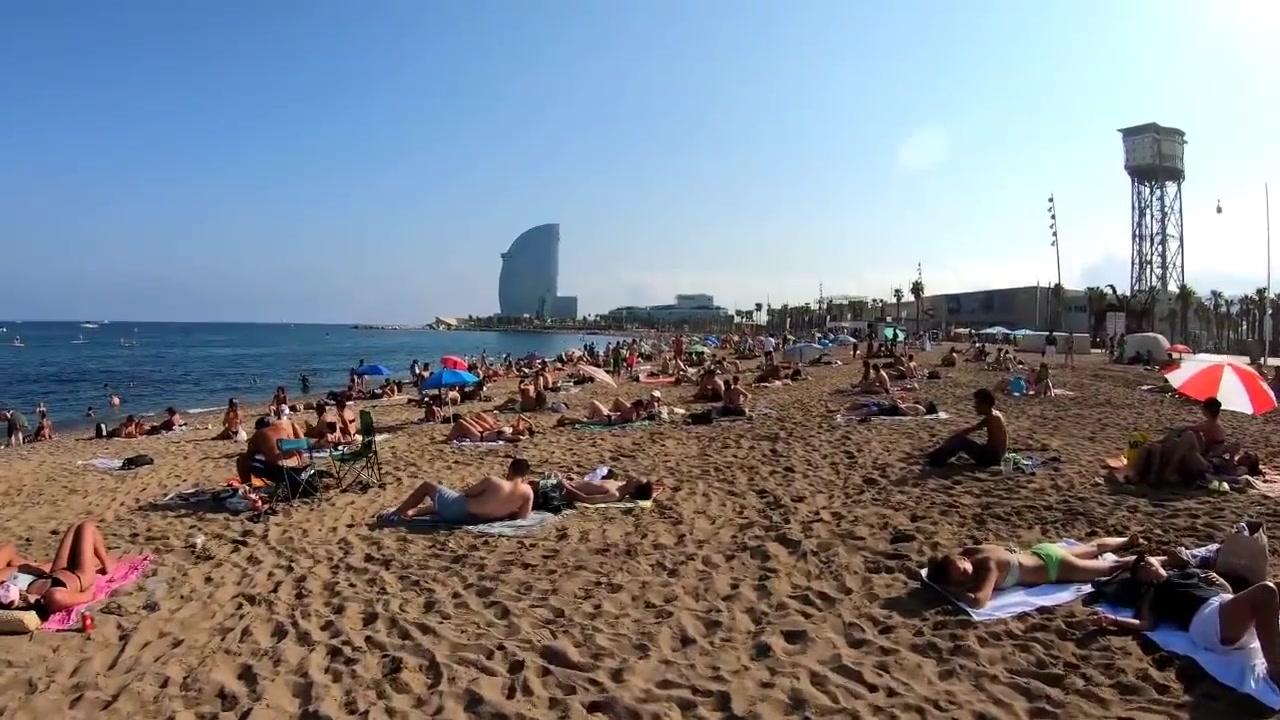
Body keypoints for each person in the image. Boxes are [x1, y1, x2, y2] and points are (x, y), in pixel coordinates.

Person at [1091, 555, 1280, 686]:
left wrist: (1222, 583)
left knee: (1273, 589)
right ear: (1140, 580)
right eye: (1139, 569)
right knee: (1266, 591)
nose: (1144, 565)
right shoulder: (1153, 593)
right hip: (1207, 622)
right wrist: (1114, 620)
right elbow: (1146, 624)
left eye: (1144, 561)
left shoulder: (1187, 574)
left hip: (1225, 610)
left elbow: (1228, 595)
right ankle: (1275, 672)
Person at [925, 535, 1138, 609]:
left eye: (963, 572)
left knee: (1111, 568)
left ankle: (1160, 559)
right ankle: (1127, 540)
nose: (967, 577)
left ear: (964, 560)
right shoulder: (972, 552)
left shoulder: (987, 567)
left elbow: (979, 601)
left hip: (1054, 568)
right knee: (1092, 548)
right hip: (1042, 551)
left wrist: (951, 589)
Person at [0, 520, 115, 617]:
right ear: (22, 598)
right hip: (80, 576)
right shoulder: (54, 599)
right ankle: (106, 564)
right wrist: (94, 580)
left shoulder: (30, 592)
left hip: (57, 571)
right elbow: (87, 596)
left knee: (75, 527)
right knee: (86, 526)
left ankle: (96, 560)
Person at [379, 458, 535, 523]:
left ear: (510, 470)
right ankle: (412, 512)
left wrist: (473, 486)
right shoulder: (528, 492)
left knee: (427, 486)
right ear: (525, 475)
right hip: (477, 519)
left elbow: (467, 494)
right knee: (443, 502)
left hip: (459, 511)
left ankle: (396, 514)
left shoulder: (494, 481)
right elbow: (522, 518)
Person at [925, 388, 1007, 468]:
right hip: (997, 455)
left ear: (985, 405)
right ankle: (935, 455)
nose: (975, 407)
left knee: (961, 442)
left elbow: (967, 431)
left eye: (977, 404)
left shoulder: (991, 418)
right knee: (965, 441)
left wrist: (950, 439)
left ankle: (935, 460)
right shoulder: (995, 414)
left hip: (992, 458)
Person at [235, 414, 310, 485]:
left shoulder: (259, 433)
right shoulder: (283, 430)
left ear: (259, 428)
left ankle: (248, 487)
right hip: (298, 469)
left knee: (242, 459)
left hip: (280, 472)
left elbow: (250, 454)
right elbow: (299, 450)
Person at [557, 471, 656, 505]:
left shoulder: (614, 494)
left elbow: (586, 499)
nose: (635, 477)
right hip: (565, 484)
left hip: (559, 493)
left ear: (633, 490)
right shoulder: (618, 483)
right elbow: (593, 485)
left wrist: (564, 485)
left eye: (636, 480)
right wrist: (577, 479)